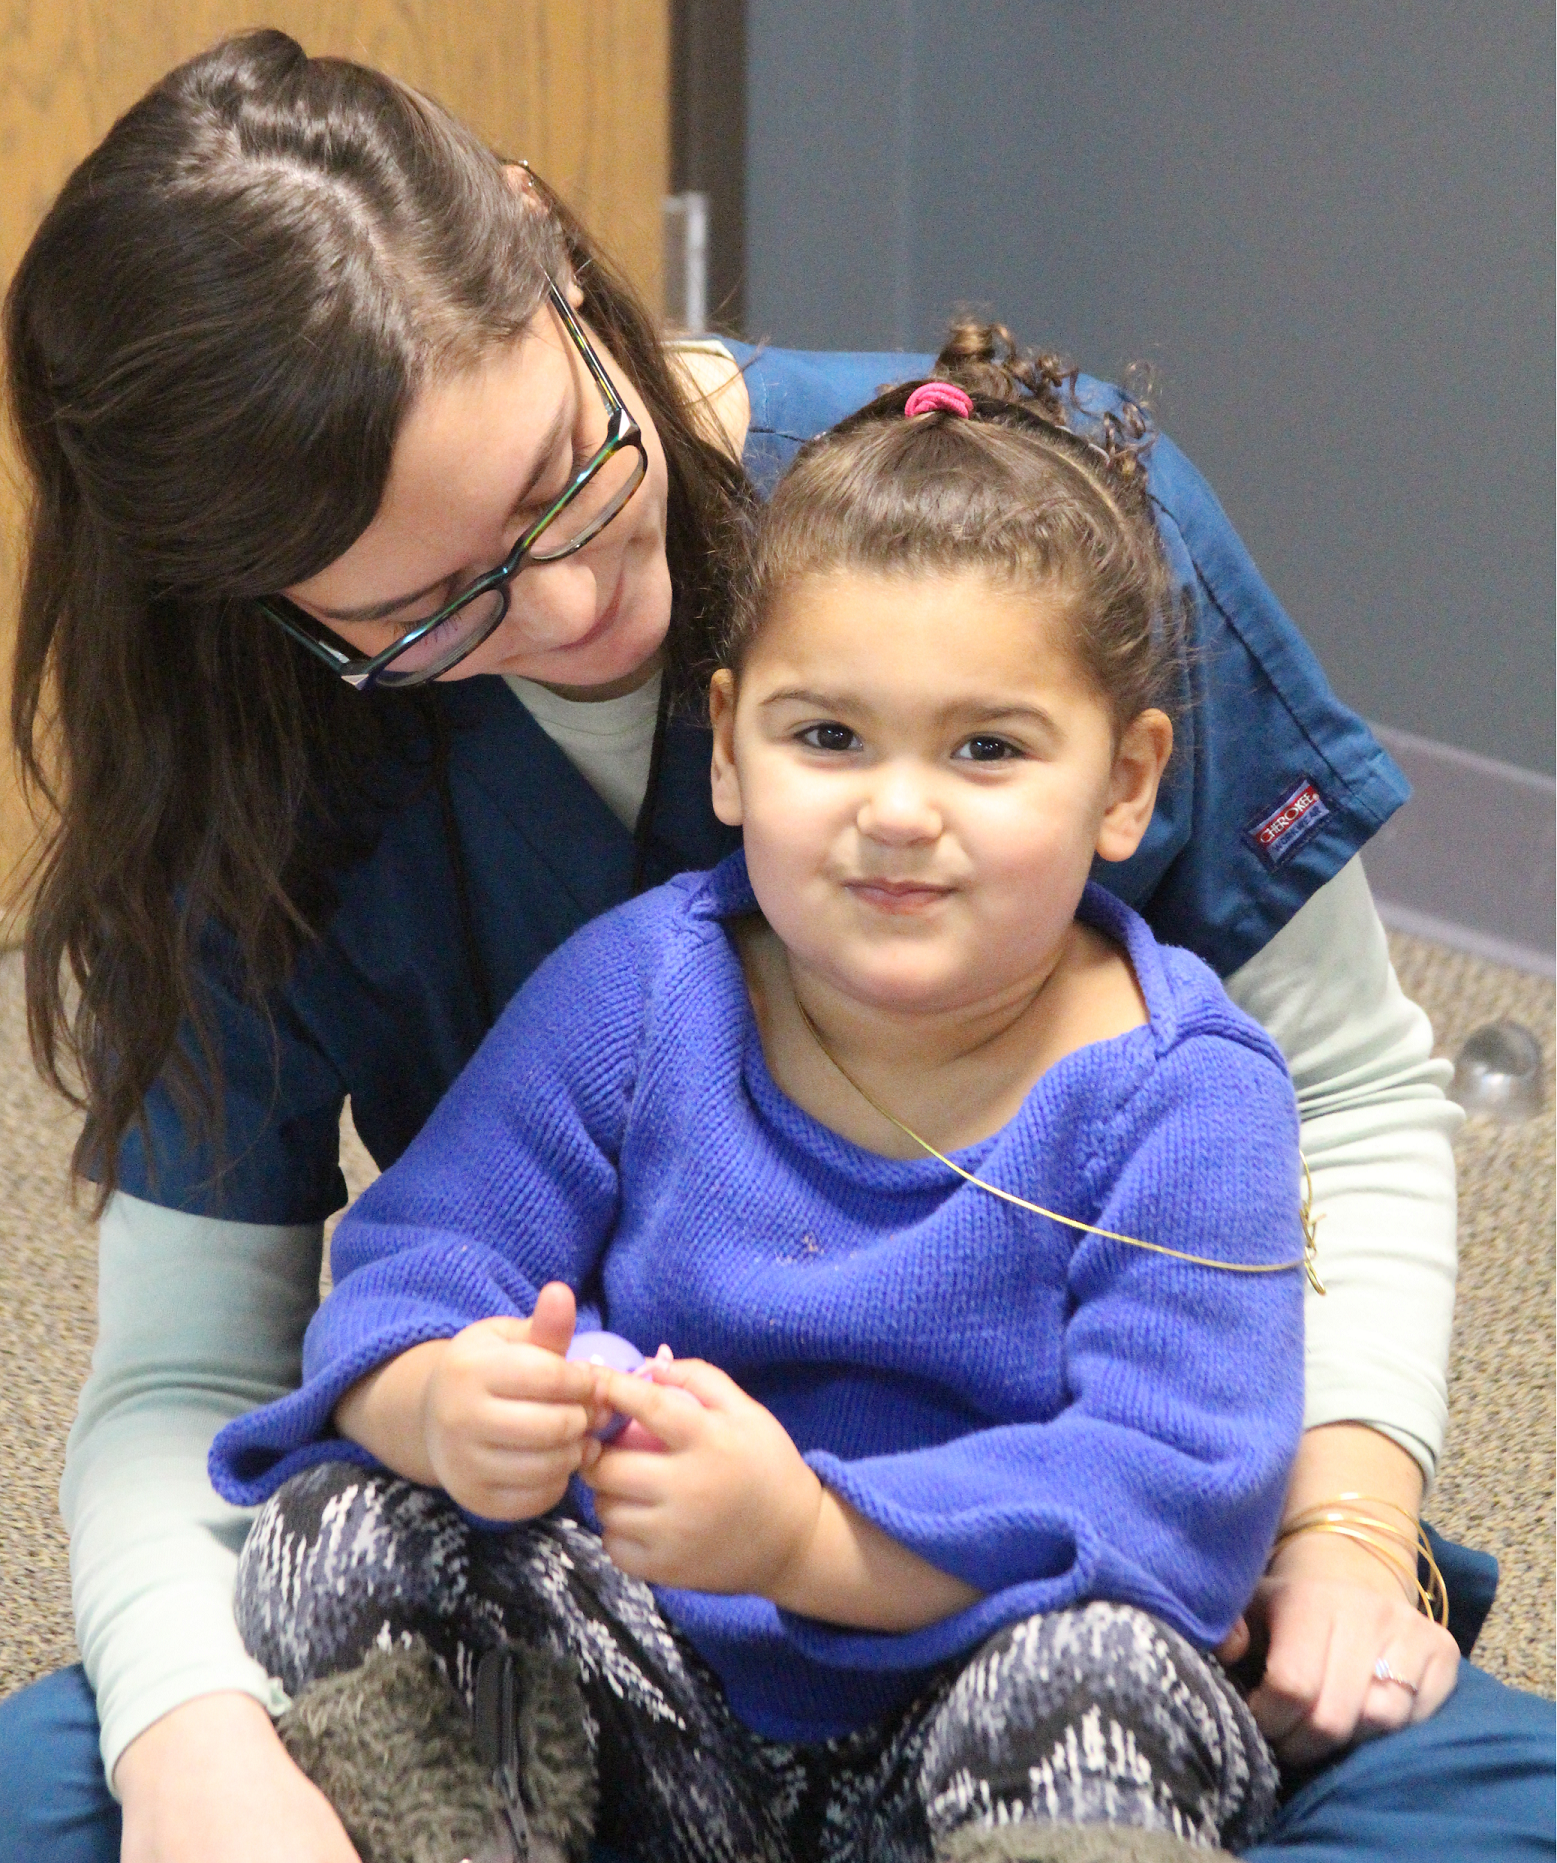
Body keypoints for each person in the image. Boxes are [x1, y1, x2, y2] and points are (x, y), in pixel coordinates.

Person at [0, 27, 1546, 1863]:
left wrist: (1350, 1530)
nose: (574, 609)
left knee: (1459, 1788)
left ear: (545, 245)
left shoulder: (1023, 537)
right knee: (86, 1770)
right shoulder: (328, 818)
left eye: (560, 479)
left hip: (1036, 1583)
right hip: (626, 1616)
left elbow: (1351, 1096)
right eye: (420, 613)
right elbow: (213, 1372)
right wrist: (202, 1747)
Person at [206, 370, 1311, 1862]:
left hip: (959, 1716)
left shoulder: (1188, 1091)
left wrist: (807, 1539)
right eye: (829, 737)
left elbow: (1177, 1492)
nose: (899, 809)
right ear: (728, 747)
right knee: (341, 1526)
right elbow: (413, 1268)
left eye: (987, 748)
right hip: (652, 1706)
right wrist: (454, 1404)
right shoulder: (646, 988)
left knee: (1105, 1672)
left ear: (1125, 782)